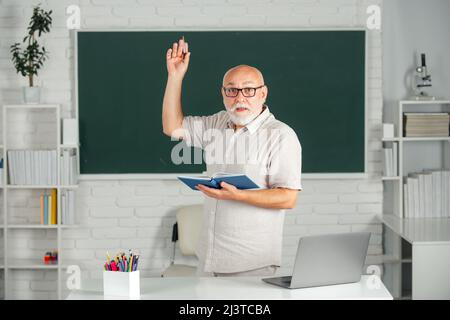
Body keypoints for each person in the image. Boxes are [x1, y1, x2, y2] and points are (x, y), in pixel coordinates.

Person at [162, 37, 302, 277]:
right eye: (232, 90)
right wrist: (175, 77)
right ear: (223, 93)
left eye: (249, 90)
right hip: (208, 260)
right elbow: (172, 127)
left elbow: (288, 198)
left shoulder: (281, 136)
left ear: (263, 94)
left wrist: (238, 195)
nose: (240, 98)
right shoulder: (218, 122)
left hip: (251, 265)